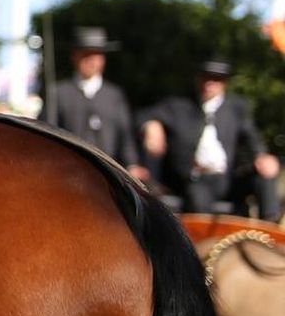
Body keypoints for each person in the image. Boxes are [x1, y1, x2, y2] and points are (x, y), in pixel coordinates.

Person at [142, 59, 281, 221]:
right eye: (206, 77)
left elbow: (251, 137)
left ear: (225, 83)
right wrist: (152, 125)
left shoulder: (237, 108)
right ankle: (205, 241)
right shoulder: (179, 106)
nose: (209, 84)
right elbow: (142, 116)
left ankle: (271, 231)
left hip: (226, 179)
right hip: (196, 179)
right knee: (198, 194)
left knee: (265, 174)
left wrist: (261, 156)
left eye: (216, 79)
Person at [41, 27, 147, 177]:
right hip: (68, 172)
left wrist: (132, 164)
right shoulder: (58, 93)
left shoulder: (114, 95)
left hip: (110, 174)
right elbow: (47, 133)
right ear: (74, 56)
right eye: (85, 55)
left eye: (96, 55)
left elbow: (125, 134)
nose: (91, 60)